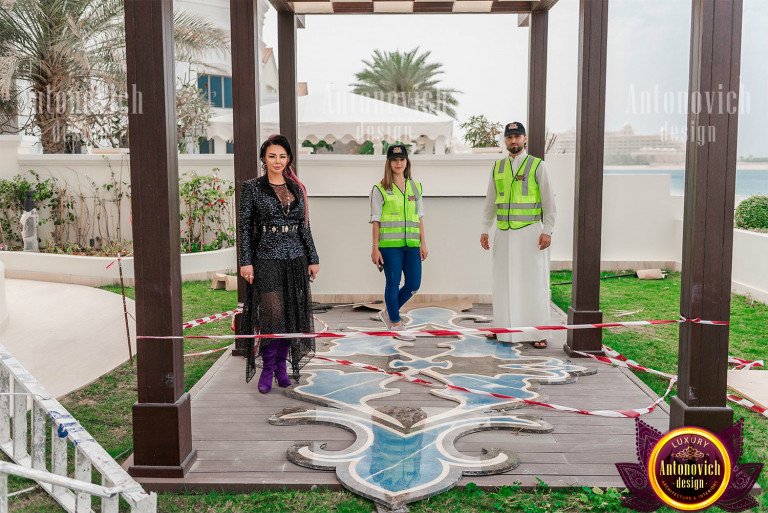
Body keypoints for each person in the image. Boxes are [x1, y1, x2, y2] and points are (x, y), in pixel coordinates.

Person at [238, 134, 320, 393]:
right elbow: (244, 228)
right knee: (273, 316)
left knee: (292, 316)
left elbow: (304, 227)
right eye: (272, 155)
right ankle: (269, 368)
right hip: (266, 259)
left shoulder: (297, 188)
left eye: (282, 156)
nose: (277, 160)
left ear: (289, 159)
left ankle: (283, 368)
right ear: (263, 158)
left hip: (295, 258)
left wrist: (313, 258)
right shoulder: (251, 188)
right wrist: (245, 262)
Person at [480, 122, 556, 349]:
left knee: (533, 282)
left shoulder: (537, 166)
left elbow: (549, 202)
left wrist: (547, 231)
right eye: (509, 137)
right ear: (505, 140)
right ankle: (503, 328)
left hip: (530, 233)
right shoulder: (498, 167)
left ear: (525, 139)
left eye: (517, 136)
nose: (513, 141)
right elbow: (490, 202)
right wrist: (485, 228)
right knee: (503, 281)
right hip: (504, 233)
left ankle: (538, 332)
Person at [370, 144, 428, 342]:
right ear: (389, 163)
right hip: (390, 245)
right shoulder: (379, 188)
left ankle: (388, 313)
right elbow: (376, 220)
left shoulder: (416, 186)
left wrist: (423, 243)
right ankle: (395, 323)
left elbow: (419, 217)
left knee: (413, 284)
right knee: (393, 283)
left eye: (402, 159)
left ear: (407, 162)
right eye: (394, 160)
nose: (398, 163)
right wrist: (375, 248)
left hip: (412, 244)